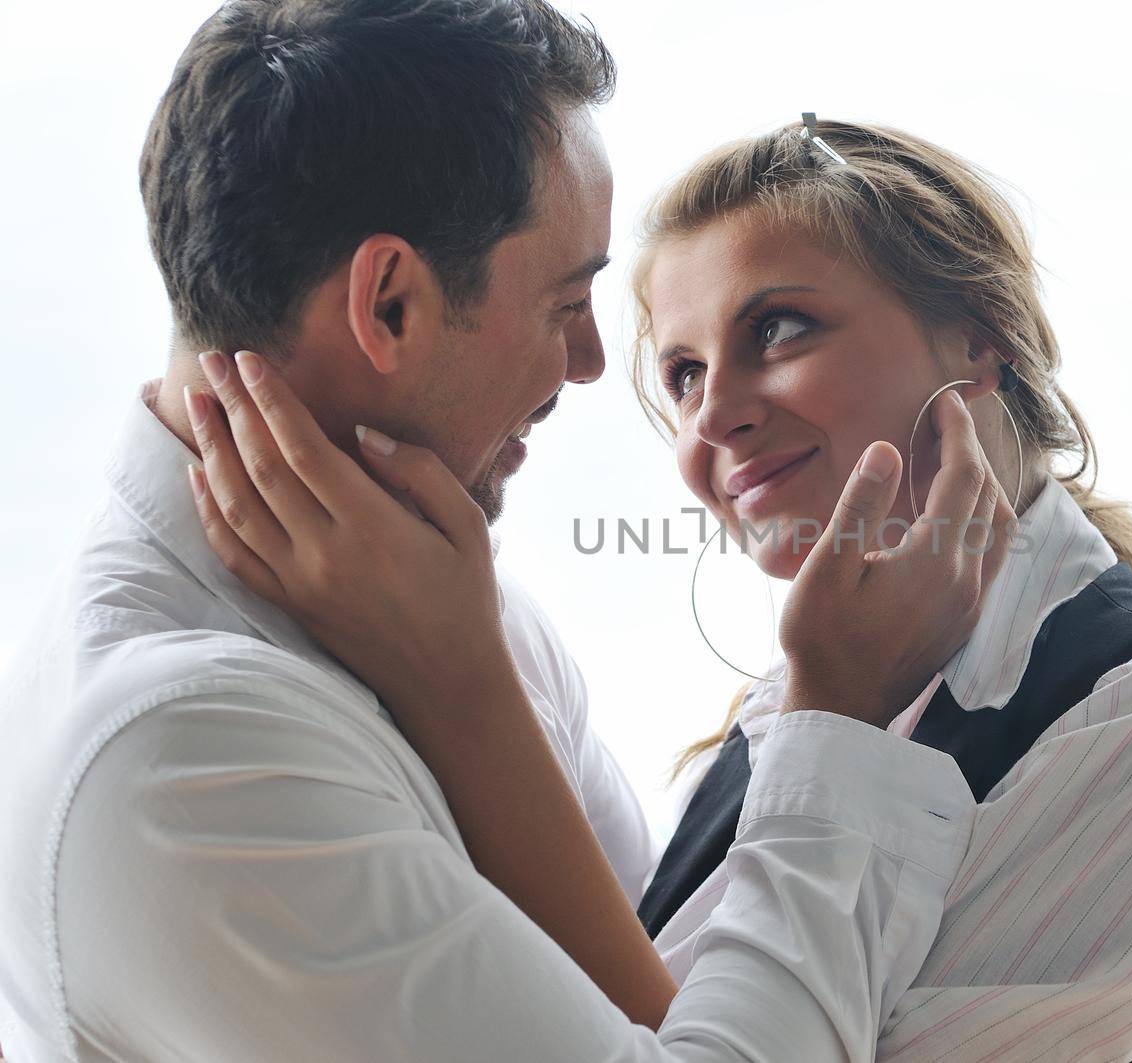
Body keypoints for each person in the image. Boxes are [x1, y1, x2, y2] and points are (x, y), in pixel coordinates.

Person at [0, 4, 1018, 1060]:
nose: (587, 362)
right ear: (388, 303)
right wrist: (838, 717)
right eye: (565, 301)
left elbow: (668, 998)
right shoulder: (185, 755)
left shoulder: (450, 612)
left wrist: (467, 688)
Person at [623, 119, 1132, 1062]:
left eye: (778, 328)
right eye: (684, 374)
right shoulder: (783, 716)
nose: (715, 414)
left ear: (979, 338)